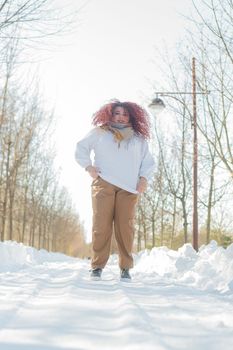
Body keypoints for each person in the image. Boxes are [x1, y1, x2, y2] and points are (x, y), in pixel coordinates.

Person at [75, 99, 155, 280]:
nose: (120, 117)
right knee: (101, 226)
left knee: (125, 228)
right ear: (110, 114)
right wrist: (89, 167)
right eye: (117, 113)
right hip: (104, 183)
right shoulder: (99, 133)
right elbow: (81, 148)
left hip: (129, 188)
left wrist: (143, 179)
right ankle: (97, 267)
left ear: (132, 117)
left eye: (125, 114)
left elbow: (148, 162)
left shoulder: (138, 139)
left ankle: (125, 267)